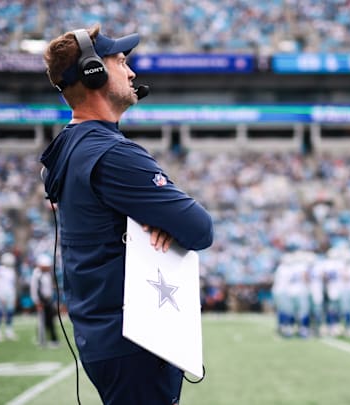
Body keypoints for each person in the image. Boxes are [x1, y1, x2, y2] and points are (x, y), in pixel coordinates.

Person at [41, 25, 213, 405]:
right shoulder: (113, 153)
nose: (132, 71)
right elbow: (201, 229)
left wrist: (149, 219)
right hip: (135, 339)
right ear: (93, 72)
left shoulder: (66, 147)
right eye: (120, 61)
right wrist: (162, 221)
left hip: (103, 336)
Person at [30, 254, 58, 348]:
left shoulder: (48, 273)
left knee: (50, 320)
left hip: (48, 300)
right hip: (41, 301)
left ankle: (53, 340)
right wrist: (37, 301)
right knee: (42, 321)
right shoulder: (37, 274)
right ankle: (41, 340)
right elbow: (34, 289)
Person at [0, 252, 18, 342]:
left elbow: (12, 285)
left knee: (10, 313)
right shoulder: (0, 270)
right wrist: (0, 295)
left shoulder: (12, 271)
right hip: (2, 294)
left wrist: (14, 296)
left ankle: (9, 331)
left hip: (10, 294)